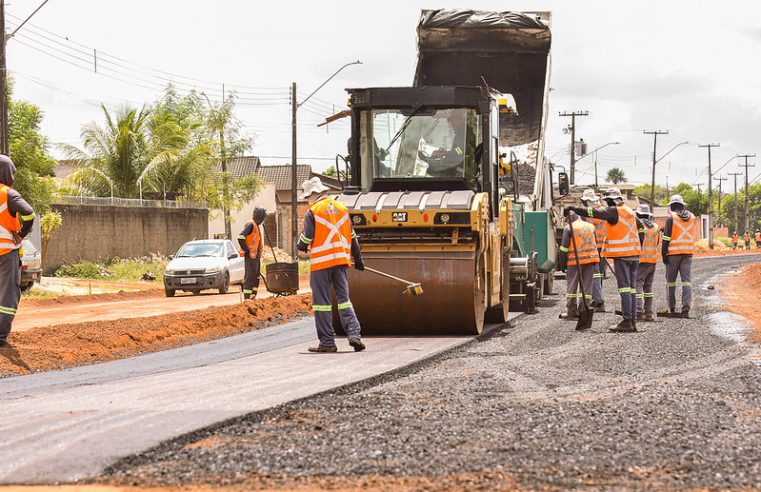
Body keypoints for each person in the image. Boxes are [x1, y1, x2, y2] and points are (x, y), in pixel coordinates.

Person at [297, 177, 366, 353]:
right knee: (344, 300)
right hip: (341, 261)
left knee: (322, 303)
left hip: (321, 263)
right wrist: (358, 258)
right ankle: (354, 334)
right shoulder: (342, 209)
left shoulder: (314, 211)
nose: (307, 201)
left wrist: (302, 245)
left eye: (306, 197)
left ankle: (327, 342)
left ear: (312, 194)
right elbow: (352, 236)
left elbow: (308, 236)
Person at [567, 187, 644, 333]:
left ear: (610, 200)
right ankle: (632, 321)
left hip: (622, 256)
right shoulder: (629, 211)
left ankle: (627, 321)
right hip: (634, 255)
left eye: (607, 201)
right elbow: (641, 229)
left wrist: (574, 209)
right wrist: (638, 244)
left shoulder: (614, 211)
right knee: (632, 289)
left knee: (625, 288)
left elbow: (593, 212)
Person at [0, 155, 35, 348]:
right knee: (7, 296)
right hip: (6, 253)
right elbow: (29, 214)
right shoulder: (8, 194)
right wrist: (21, 234)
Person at [558, 211, 597, 326]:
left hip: (575, 261)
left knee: (572, 287)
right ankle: (584, 310)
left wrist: (563, 264)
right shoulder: (591, 227)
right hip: (590, 260)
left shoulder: (569, 228)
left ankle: (571, 311)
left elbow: (564, 249)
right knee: (587, 288)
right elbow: (595, 243)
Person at [662, 194, 697, 318]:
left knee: (671, 282)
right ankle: (686, 309)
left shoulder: (671, 218)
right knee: (686, 281)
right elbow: (682, 230)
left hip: (673, 254)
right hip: (687, 253)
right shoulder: (692, 217)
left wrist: (663, 253)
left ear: (673, 205)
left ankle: (671, 308)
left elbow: (666, 238)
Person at [579, 188, 607, 312]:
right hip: (603, 247)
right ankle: (597, 300)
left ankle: (599, 302)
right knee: (599, 275)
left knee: (595, 276)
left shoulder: (591, 213)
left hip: (595, 247)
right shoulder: (603, 209)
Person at [635, 204, 660, 322]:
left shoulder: (638, 226)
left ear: (638, 215)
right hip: (652, 260)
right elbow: (657, 242)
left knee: (638, 284)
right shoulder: (656, 227)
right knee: (648, 287)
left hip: (641, 260)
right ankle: (648, 313)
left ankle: (638, 312)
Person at [237, 206, 266, 300]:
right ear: (259, 216)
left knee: (256, 278)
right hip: (250, 257)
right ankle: (247, 299)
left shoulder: (256, 226)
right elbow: (241, 237)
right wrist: (247, 250)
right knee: (250, 278)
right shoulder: (250, 225)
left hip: (256, 257)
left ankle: (253, 296)